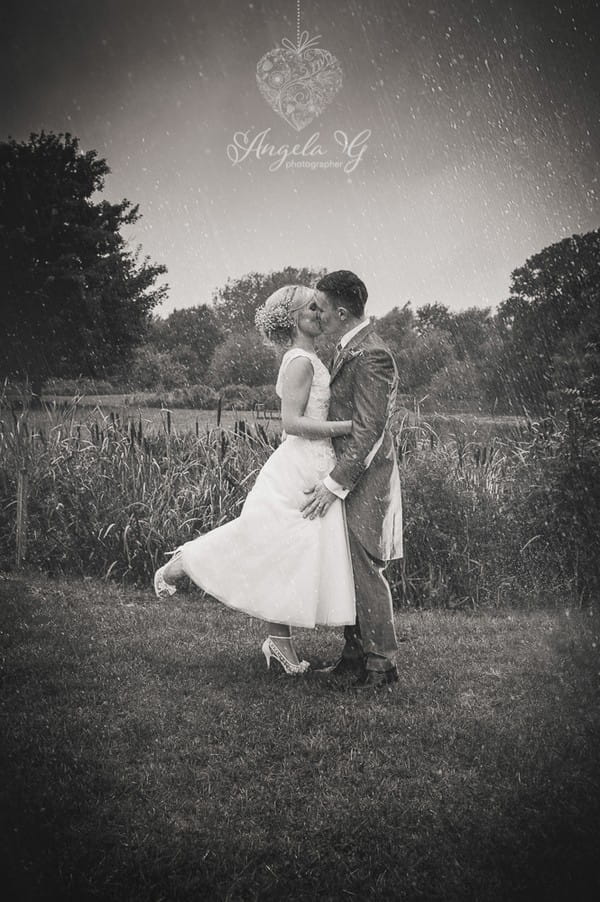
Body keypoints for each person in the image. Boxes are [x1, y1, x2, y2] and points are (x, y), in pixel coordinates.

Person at [153, 285, 356, 675]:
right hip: (298, 465)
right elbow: (292, 423)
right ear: (294, 318)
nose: (319, 312)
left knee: (288, 551)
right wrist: (349, 426)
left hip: (315, 462)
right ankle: (183, 563)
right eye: (311, 308)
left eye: (319, 307)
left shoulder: (312, 356)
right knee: (266, 542)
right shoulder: (300, 361)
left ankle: (279, 644)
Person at [303, 271, 403, 691]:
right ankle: (353, 654)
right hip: (352, 476)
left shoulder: (373, 354)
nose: (316, 315)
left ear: (341, 312)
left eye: (321, 308)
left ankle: (382, 664)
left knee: (364, 566)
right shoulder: (350, 347)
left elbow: (368, 430)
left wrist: (333, 483)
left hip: (366, 480)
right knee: (347, 564)